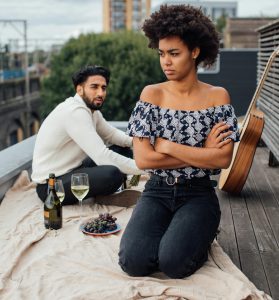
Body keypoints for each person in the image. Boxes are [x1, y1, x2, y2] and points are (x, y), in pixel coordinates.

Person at [118, 4, 239, 279]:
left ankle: (203, 231)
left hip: (198, 193)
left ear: (195, 52)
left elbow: (222, 159)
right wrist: (202, 152)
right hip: (157, 191)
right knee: (133, 263)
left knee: (173, 264)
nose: (166, 62)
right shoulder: (151, 94)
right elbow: (143, 159)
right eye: (162, 53)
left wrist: (168, 145)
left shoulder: (217, 97)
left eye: (174, 53)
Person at [32, 65, 143, 205]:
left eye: (103, 88)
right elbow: (101, 156)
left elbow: (112, 135)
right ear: (79, 89)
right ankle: (103, 196)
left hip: (74, 170)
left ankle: (104, 194)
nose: (100, 93)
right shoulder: (75, 112)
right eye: (94, 87)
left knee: (122, 149)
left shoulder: (90, 110)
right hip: (51, 186)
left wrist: (143, 142)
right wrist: (146, 167)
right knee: (112, 174)